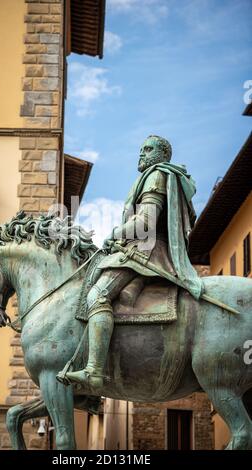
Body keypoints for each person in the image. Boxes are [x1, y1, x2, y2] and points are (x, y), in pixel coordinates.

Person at [64, 135, 203, 390]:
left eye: (148, 149)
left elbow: (146, 222)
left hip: (147, 250)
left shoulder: (156, 175)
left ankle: (94, 371)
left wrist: (115, 233)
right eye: (140, 149)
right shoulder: (152, 175)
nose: (141, 154)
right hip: (140, 247)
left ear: (162, 155)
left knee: (97, 295)